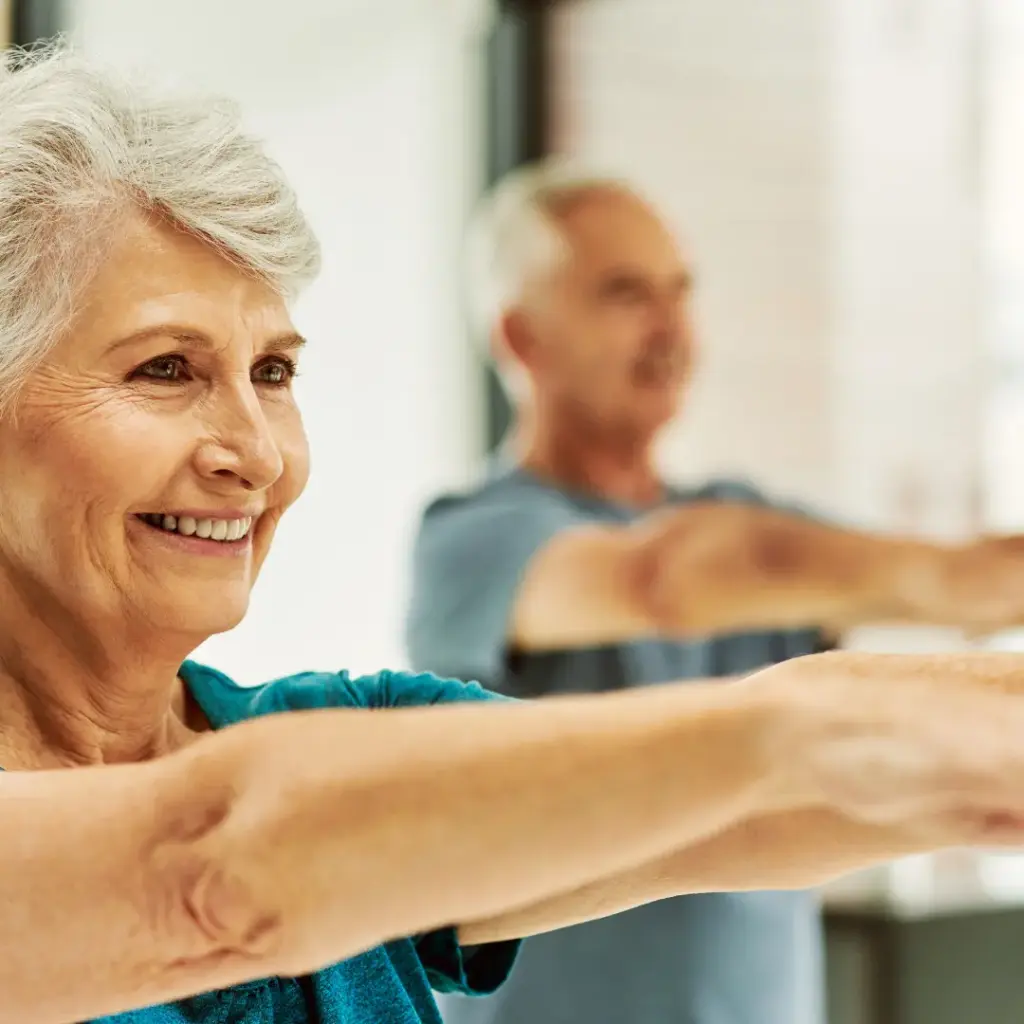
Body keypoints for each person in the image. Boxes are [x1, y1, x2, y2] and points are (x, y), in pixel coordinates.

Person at [6, 45, 1024, 1024]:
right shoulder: (313, 768)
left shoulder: (325, 734)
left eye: (273, 373)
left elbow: (755, 807)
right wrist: (803, 733)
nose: (256, 454)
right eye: (166, 369)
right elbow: (210, 869)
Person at [404, 160, 1024, 1024]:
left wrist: (975, 584)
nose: (672, 328)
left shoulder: (741, 521)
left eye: (680, 291)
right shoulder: (474, 538)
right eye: (626, 294)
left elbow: (949, 591)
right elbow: (662, 581)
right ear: (523, 339)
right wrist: (947, 579)